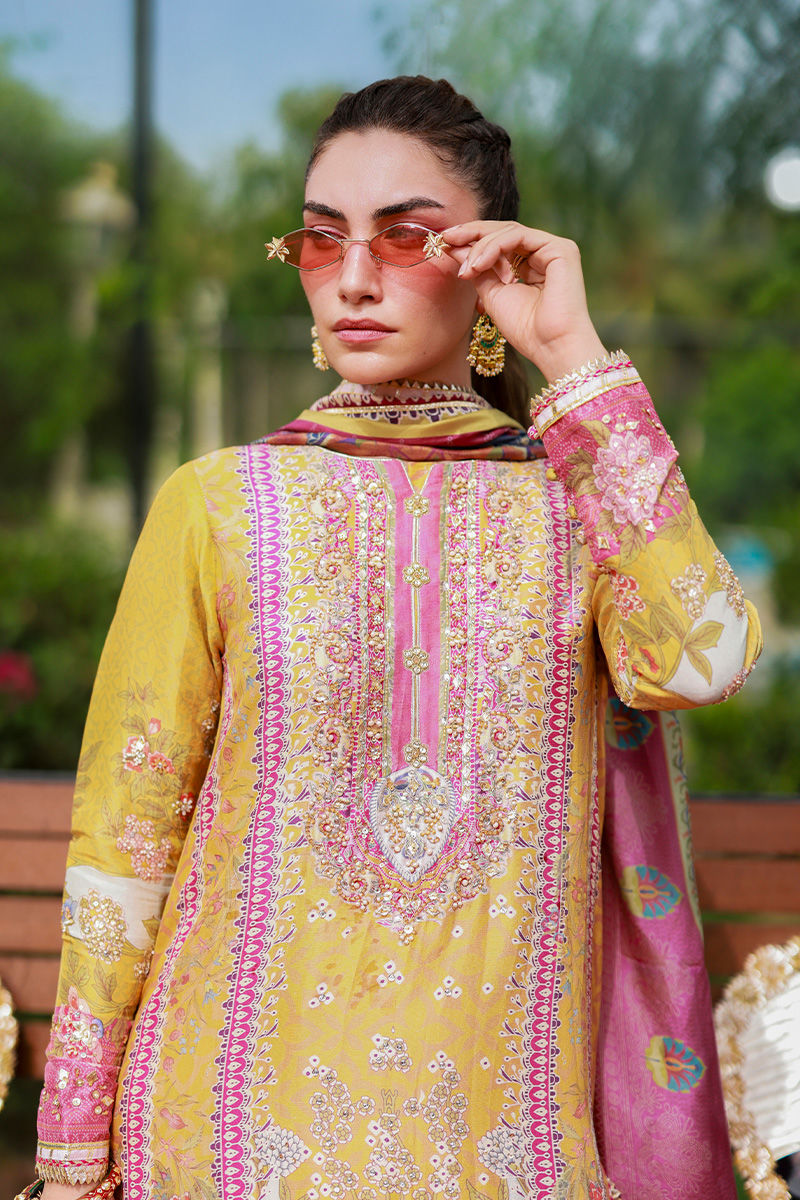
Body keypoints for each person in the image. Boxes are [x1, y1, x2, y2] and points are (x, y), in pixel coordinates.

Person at [27, 76, 762, 1200]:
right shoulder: (216, 505)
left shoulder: (581, 506)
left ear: (487, 259)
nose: (354, 277)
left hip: (506, 1147)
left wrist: (570, 352)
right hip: (227, 1139)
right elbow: (127, 830)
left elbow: (705, 660)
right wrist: (74, 1148)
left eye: (406, 237)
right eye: (322, 240)